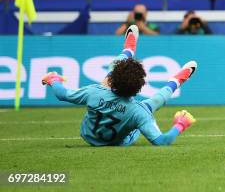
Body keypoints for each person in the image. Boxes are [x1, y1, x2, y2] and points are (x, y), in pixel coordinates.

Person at [43, 25, 197, 146]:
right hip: (120, 141)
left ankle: (128, 50)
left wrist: (53, 79)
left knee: (111, 74)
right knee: (150, 105)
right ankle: (176, 81)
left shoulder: (93, 92)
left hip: (88, 136)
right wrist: (180, 125)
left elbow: (61, 94)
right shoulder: (138, 112)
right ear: (139, 88)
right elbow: (162, 141)